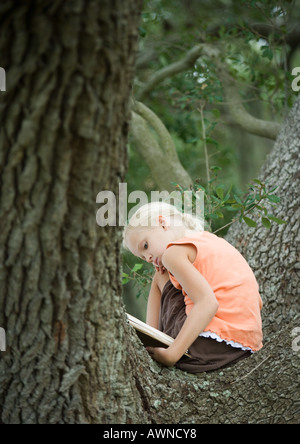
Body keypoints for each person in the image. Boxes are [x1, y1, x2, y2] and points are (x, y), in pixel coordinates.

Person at [124, 201, 263, 373]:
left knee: (159, 276)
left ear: (162, 223)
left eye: (145, 246)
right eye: (142, 257)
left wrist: (171, 355)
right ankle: (152, 340)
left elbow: (208, 303)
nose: (148, 257)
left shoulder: (173, 254)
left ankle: (152, 341)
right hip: (245, 345)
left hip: (208, 344)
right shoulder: (211, 241)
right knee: (162, 273)